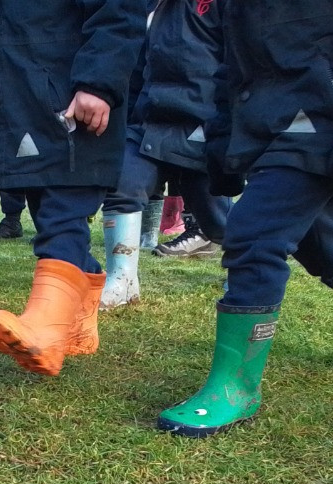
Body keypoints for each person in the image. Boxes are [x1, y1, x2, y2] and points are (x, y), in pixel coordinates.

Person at [157, 0, 333, 437]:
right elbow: (234, 58)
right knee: (329, 244)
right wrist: (224, 130)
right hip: (279, 112)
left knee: (255, 233)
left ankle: (236, 386)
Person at [0, 1, 140, 376]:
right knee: (48, 215)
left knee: (63, 215)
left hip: (73, 103)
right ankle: (77, 329)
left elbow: (118, 9)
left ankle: (45, 328)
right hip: (21, 111)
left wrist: (99, 82)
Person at [99, 0, 230, 309]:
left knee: (216, 214)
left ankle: (241, 269)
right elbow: (134, 69)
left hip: (201, 121)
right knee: (124, 184)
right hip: (150, 120)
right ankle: (122, 280)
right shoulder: (143, 8)